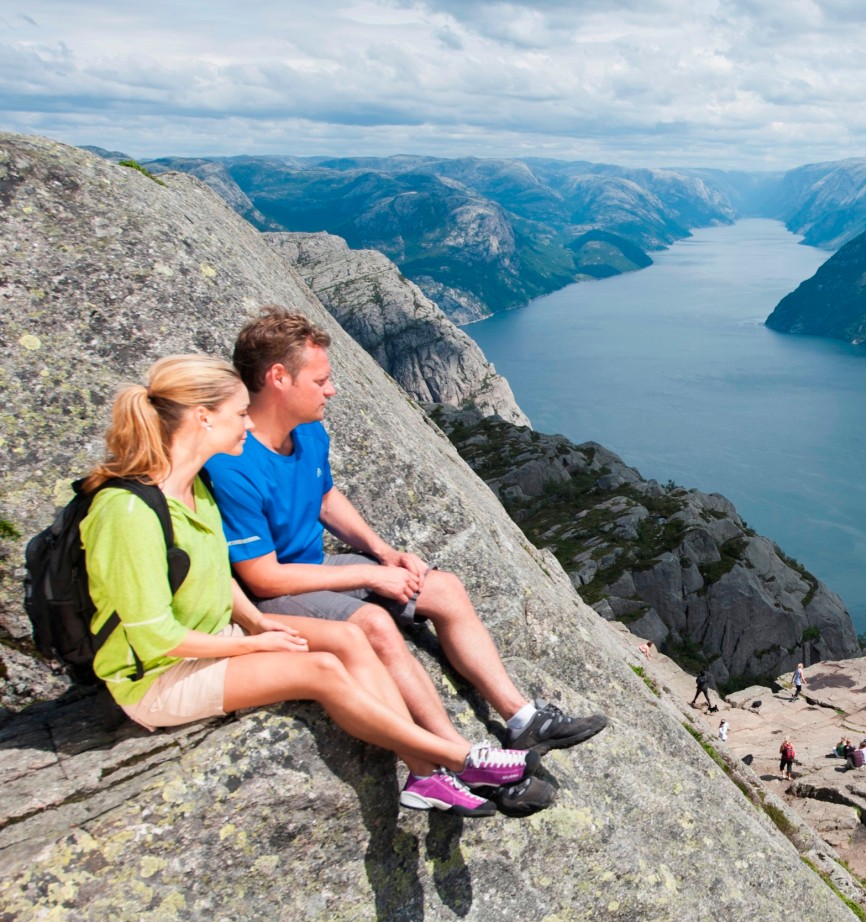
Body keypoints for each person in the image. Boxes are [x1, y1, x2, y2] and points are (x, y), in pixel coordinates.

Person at [79, 354, 546, 817]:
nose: (248, 424)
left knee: (350, 635)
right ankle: (458, 759)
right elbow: (151, 635)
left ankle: (425, 777)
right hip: (159, 677)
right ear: (203, 418)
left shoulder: (191, 490)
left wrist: (258, 622)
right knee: (320, 670)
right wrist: (251, 646)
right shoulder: (128, 512)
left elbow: (215, 576)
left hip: (214, 639)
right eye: (240, 414)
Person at [207, 309, 607, 754]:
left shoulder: (307, 431)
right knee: (376, 625)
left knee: (446, 590)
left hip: (315, 568)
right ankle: (458, 755)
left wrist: (384, 553)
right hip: (271, 596)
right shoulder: (232, 464)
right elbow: (264, 578)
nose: (331, 390)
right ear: (278, 377)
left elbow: (325, 498)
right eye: (320, 381)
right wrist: (371, 576)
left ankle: (521, 719)